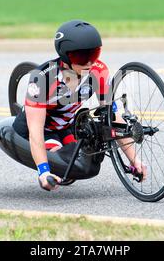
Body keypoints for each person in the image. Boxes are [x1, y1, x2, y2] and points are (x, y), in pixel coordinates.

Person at [13, 20, 147, 191]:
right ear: (66, 56)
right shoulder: (42, 79)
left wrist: (134, 160)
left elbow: (113, 118)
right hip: (37, 130)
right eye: (82, 57)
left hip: (67, 127)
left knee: (87, 155)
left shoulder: (98, 71)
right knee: (67, 158)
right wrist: (43, 172)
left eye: (94, 54)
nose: (89, 63)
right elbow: (35, 130)